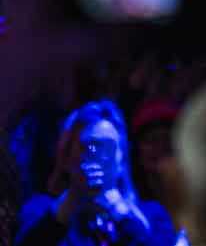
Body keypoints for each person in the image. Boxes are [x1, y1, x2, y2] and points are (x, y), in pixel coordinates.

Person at [16, 100, 176, 246]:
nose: (99, 157)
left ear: (122, 160)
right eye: (88, 147)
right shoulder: (39, 211)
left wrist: (119, 210)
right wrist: (72, 200)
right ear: (66, 157)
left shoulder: (152, 217)